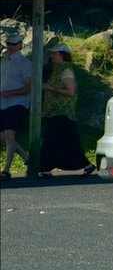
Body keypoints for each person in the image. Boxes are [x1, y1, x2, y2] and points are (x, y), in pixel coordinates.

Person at [39, 46, 89, 176]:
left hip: (62, 112)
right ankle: (85, 164)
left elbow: (70, 91)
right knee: (67, 141)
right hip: (54, 111)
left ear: (62, 55)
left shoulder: (66, 71)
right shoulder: (57, 70)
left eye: (54, 54)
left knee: (52, 140)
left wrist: (50, 88)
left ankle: (45, 167)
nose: (52, 56)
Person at [0, 32, 32, 181]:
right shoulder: (4, 61)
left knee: (9, 135)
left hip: (18, 102)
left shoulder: (25, 63)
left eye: (13, 44)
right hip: (3, 102)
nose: (10, 47)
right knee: (3, 136)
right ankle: (27, 157)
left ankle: (6, 169)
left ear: (20, 45)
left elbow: (28, 87)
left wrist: (10, 93)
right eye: (8, 44)